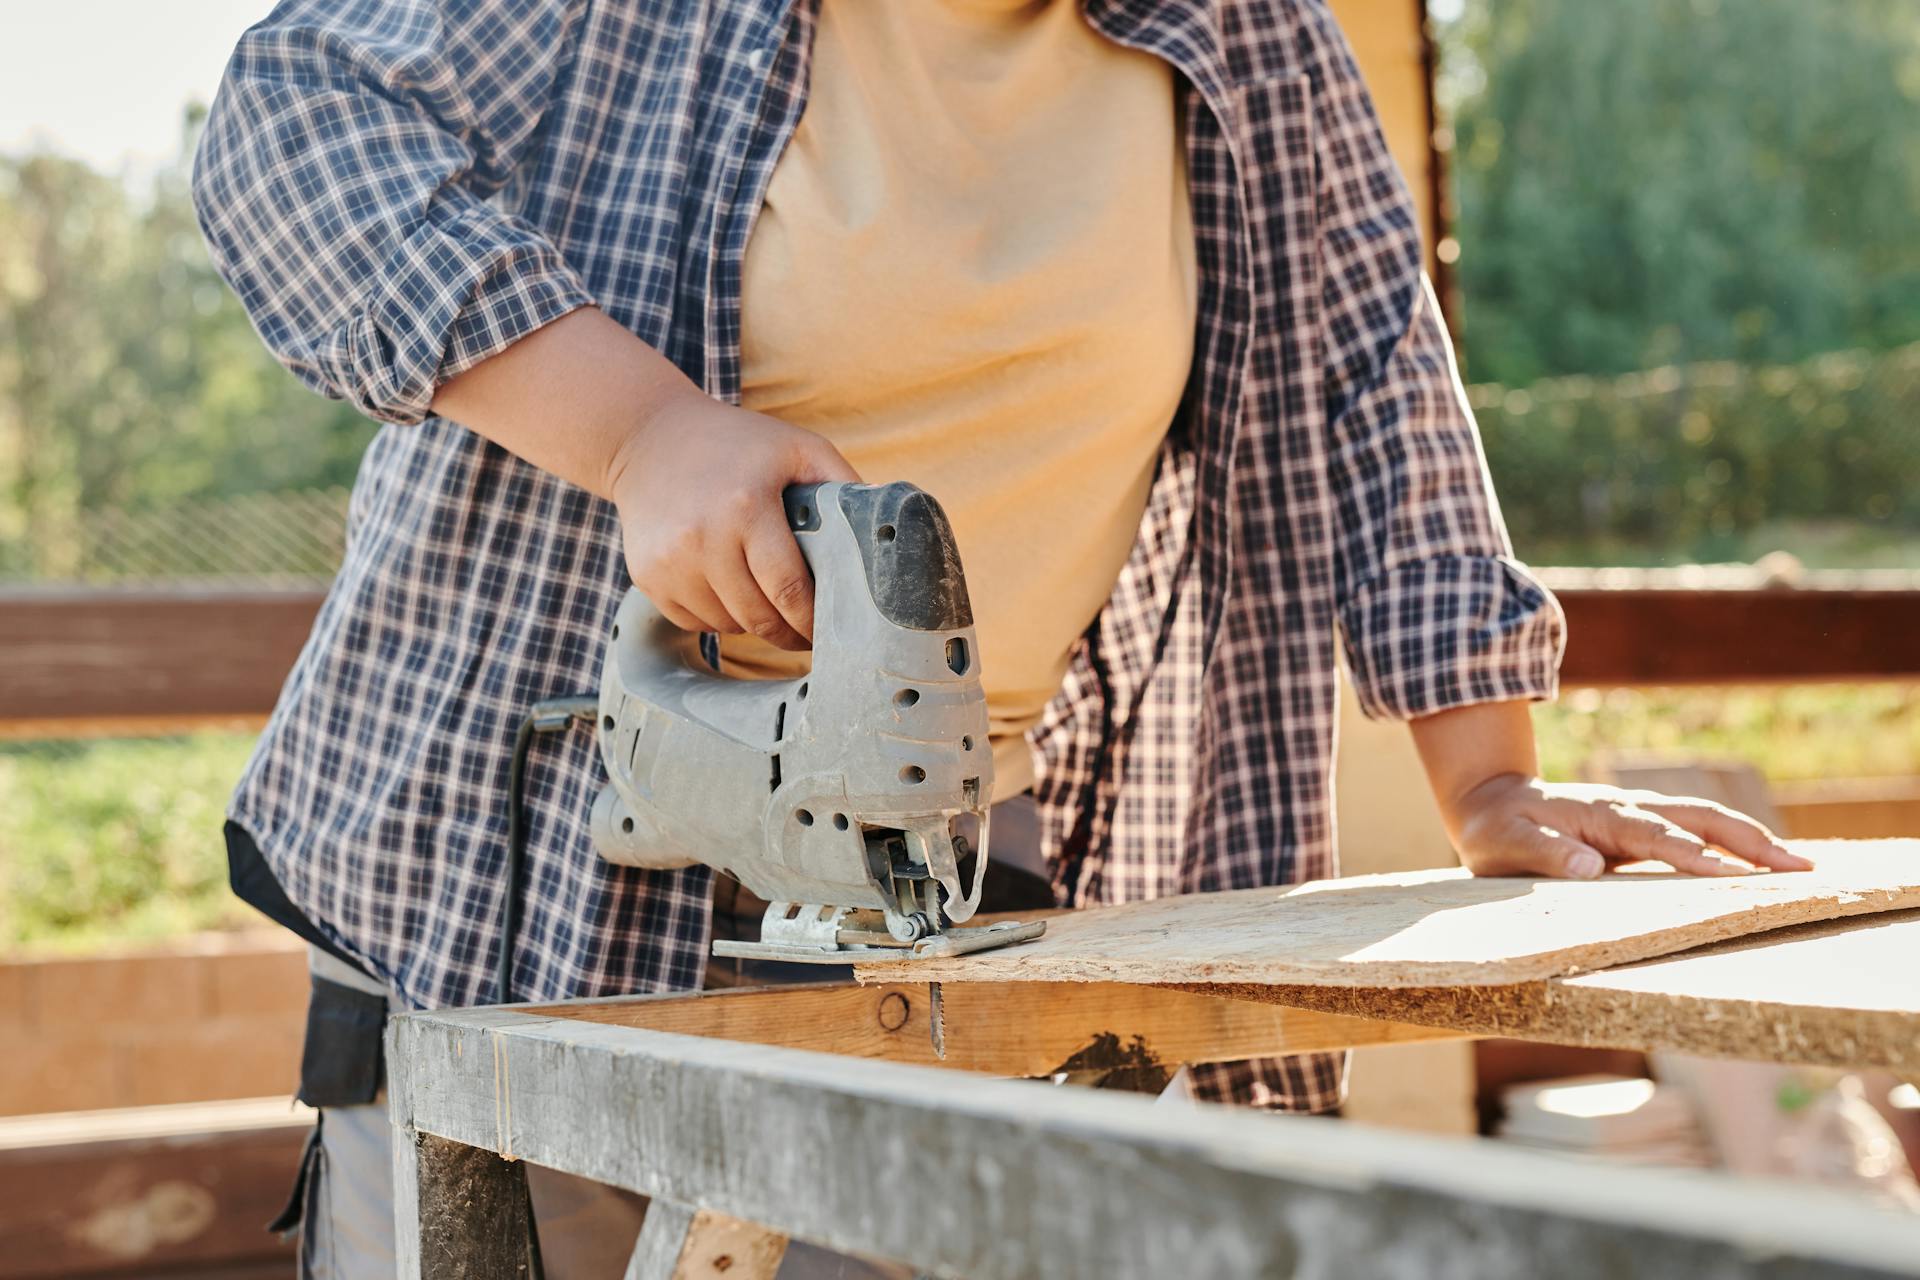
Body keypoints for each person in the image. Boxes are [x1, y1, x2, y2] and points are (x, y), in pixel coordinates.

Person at [193, 0, 1808, 1274]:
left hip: (955, 868)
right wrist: (639, 435)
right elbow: (295, 125)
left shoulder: (1244, 33)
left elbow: (1369, 376)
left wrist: (1491, 785)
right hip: (527, 854)